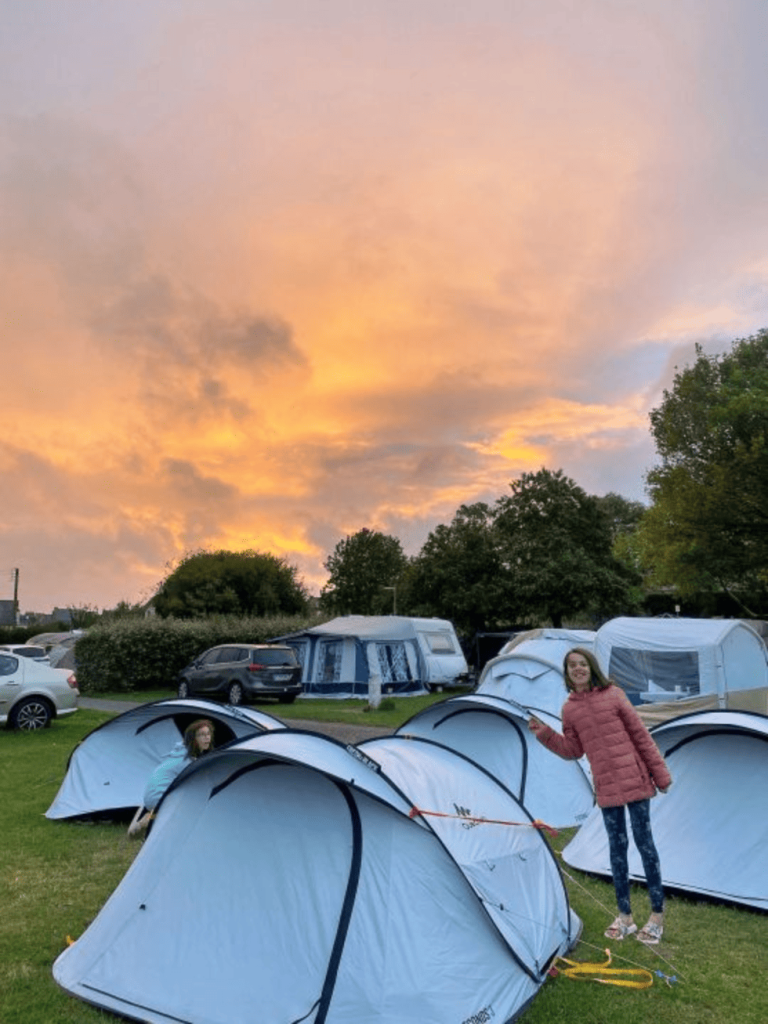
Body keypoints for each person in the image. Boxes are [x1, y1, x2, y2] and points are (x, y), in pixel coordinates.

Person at [528, 647, 672, 945]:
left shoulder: (614, 695)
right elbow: (573, 750)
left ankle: (656, 917)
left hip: (635, 780)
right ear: (567, 673)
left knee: (645, 846)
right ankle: (626, 917)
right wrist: (544, 734)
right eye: (571, 666)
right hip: (606, 788)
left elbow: (641, 736)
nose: (577, 669)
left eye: (582, 664)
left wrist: (661, 775)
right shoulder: (569, 708)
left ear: (591, 667)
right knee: (617, 852)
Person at [128, 719, 215, 836]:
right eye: (201, 735)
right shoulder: (186, 761)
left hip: (150, 798)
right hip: (157, 799)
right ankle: (149, 820)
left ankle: (151, 816)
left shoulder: (182, 754)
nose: (206, 738)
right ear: (193, 738)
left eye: (208, 734)